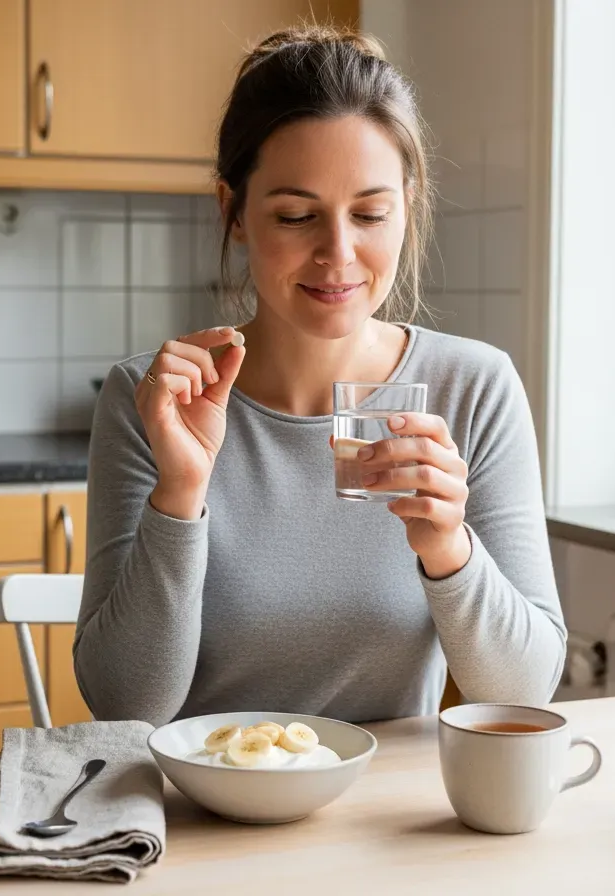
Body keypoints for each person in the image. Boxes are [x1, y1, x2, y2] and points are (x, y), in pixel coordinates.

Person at [74, 25, 566, 726]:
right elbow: (126, 705)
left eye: (370, 214)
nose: (338, 252)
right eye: (296, 216)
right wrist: (179, 495)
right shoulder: (153, 401)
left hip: (388, 797)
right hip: (201, 791)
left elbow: (524, 696)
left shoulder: (474, 388)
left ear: (407, 205)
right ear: (232, 211)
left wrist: (447, 548)